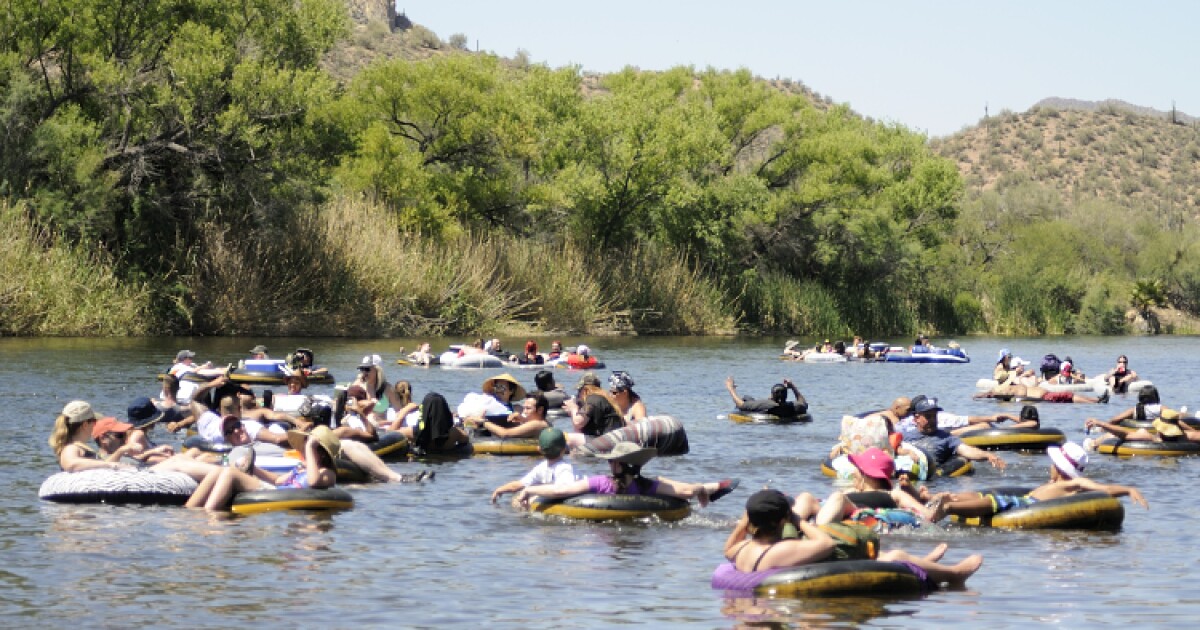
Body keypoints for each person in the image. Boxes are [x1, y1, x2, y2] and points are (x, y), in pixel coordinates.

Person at [711, 489, 983, 591]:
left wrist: (744, 521)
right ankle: (953, 574)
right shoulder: (781, 551)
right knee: (896, 556)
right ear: (782, 519)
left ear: (751, 522)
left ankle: (924, 563)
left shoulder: (742, 548)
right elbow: (825, 544)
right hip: (812, 567)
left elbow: (728, 548)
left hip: (773, 551)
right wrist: (798, 520)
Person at [926, 442, 1149, 522]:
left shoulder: (1070, 484)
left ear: (1060, 468)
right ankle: (940, 497)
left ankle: (949, 506)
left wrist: (1128, 489)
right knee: (981, 496)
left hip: (1024, 505)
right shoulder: (1059, 483)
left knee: (990, 503)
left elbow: (1103, 489)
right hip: (1021, 500)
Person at [515, 442, 736, 507]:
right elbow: (687, 491)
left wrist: (529, 490)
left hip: (603, 515)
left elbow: (560, 490)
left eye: (612, 461)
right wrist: (700, 492)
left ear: (619, 465)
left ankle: (713, 488)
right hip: (646, 497)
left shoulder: (601, 483)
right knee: (664, 481)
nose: (609, 463)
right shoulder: (646, 485)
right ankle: (712, 488)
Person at [50, 401, 222, 480]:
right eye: (93, 422)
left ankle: (225, 467)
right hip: (131, 476)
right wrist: (112, 465)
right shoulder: (71, 447)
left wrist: (120, 453)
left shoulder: (80, 446)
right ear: (85, 424)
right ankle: (224, 472)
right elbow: (70, 463)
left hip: (131, 473)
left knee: (181, 458)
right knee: (177, 463)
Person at [185, 426, 339, 511]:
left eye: (308, 447)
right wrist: (254, 468)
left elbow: (313, 482)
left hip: (280, 496)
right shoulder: (302, 468)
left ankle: (208, 514)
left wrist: (311, 448)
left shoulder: (327, 473)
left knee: (229, 473)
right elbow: (278, 480)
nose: (304, 450)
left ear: (321, 453)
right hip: (277, 491)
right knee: (219, 470)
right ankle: (189, 511)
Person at [899, 396, 1007, 471]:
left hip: (933, 477)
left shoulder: (946, 438)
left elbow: (966, 450)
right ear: (916, 418)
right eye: (928, 416)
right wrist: (906, 452)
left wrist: (987, 455)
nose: (932, 420)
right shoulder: (905, 436)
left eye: (934, 416)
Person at [490, 428, 576, 503]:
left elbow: (564, 489)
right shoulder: (554, 467)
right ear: (565, 449)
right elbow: (520, 484)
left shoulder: (559, 468)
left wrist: (500, 489)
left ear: (539, 449)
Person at [897, 395, 1026, 434]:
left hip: (944, 432)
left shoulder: (903, 423)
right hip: (948, 433)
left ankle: (1020, 426)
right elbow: (967, 419)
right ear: (917, 415)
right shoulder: (941, 417)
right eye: (929, 414)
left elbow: (965, 420)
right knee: (984, 425)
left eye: (933, 413)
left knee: (985, 424)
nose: (932, 416)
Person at [93, 417, 176, 465]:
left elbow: (136, 458)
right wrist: (122, 450)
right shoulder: (100, 459)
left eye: (124, 434)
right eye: (120, 435)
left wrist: (154, 451)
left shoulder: (118, 455)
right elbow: (104, 466)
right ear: (103, 439)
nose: (124, 439)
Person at [725, 376, 808, 418]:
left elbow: (741, 405)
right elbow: (803, 403)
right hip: (783, 409)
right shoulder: (794, 406)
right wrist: (793, 387)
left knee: (746, 398)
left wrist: (731, 389)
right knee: (749, 398)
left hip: (762, 411)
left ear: (772, 396)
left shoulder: (766, 404)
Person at [477, 393, 551, 439]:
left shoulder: (537, 424)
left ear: (540, 410)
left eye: (528, 408)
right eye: (524, 408)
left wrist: (484, 422)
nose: (524, 412)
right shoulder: (543, 422)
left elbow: (505, 434)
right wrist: (523, 420)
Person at [973, 381, 1108, 404]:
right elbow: (992, 393)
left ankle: (1096, 400)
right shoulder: (1011, 390)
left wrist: (979, 396)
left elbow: (989, 393)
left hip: (1045, 395)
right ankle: (1096, 401)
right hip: (1044, 397)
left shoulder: (1007, 389)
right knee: (1069, 396)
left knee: (1069, 397)